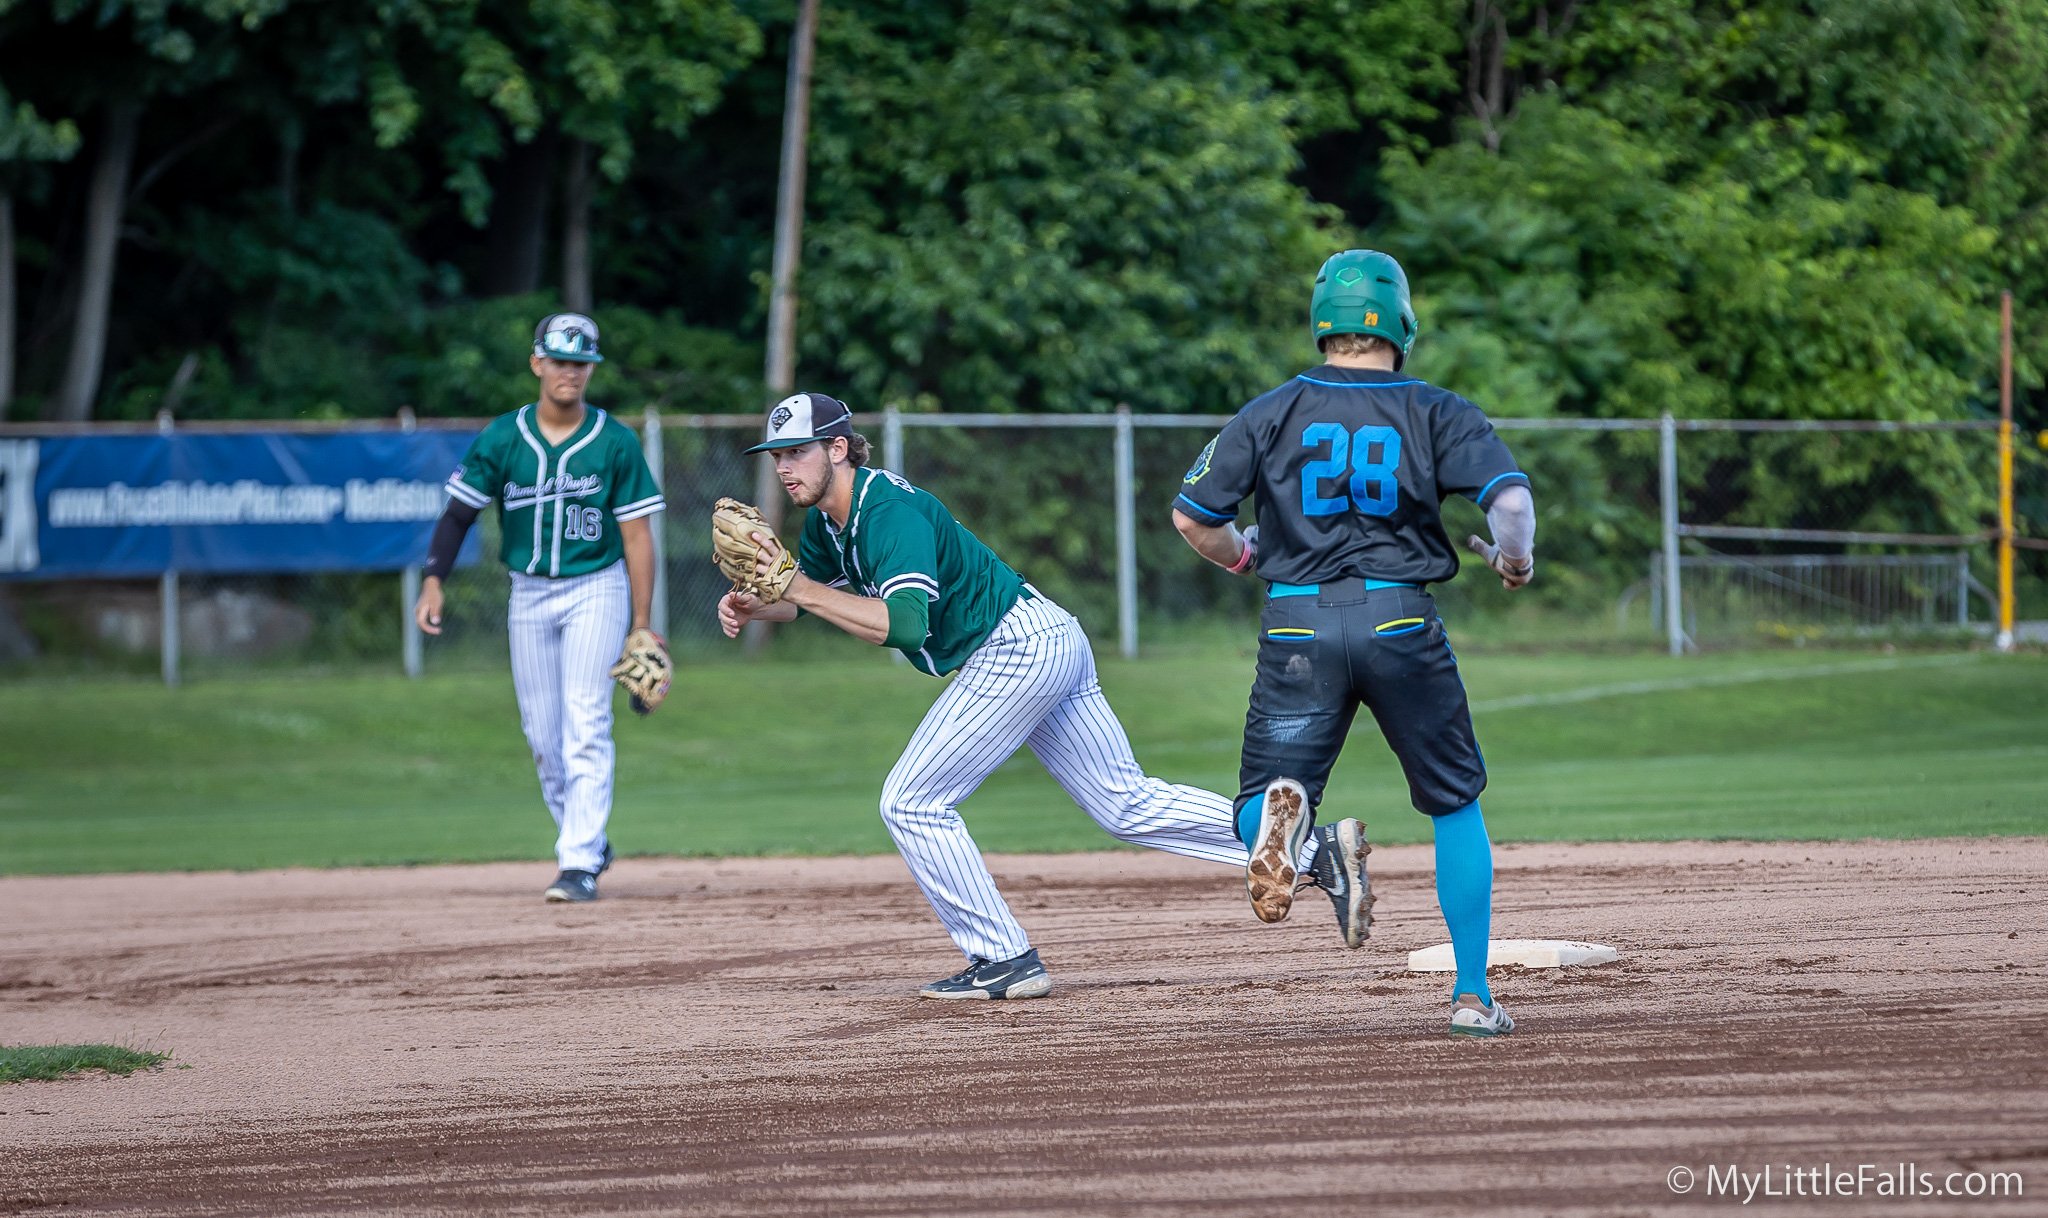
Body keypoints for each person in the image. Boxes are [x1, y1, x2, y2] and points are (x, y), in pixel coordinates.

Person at [717, 391, 1343, 1000]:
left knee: (911, 802)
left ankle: (1001, 957)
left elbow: (903, 624)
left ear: (837, 449)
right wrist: (761, 606)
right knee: (1122, 804)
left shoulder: (887, 512)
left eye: (796, 452)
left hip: (1016, 650)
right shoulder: (829, 526)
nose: (783, 467)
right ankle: (1316, 851)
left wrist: (794, 588)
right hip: (1043, 637)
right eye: (776, 456)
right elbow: (820, 599)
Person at [1171, 249, 1537, 1038]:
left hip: (1298, 623)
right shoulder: (1434, 408)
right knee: (1454, 804)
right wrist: (1515, 559)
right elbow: (1508, 500)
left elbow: (1193, 516)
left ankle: (1296, 835)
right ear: (1402, 321)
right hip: (1402, 621)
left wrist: (1243, 557)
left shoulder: (1270, 412)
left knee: (1255, 802)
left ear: (1322, 325)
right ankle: (1472, 998)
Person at [414, 312, 666, 903]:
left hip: (595, 587)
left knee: (586, 722)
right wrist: (433, 581)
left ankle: (577, 862)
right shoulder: (504, 437)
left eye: (581, 363)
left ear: (590, 370)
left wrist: (644, 624)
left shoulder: (614, 441)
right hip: (527, 592)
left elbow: (637, 536)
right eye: (560, 360)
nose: (571, 372)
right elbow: (458, 515)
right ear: (538, 364)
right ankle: (588, 840)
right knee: (543, 736)